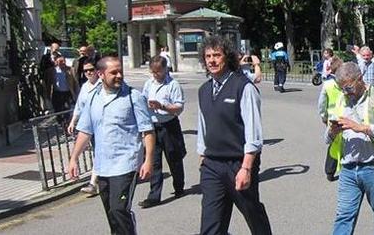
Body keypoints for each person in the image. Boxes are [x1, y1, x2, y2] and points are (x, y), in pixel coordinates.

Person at [67, 56, 155, 235]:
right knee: (111, 214)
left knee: (119, 210)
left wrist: (148, 160)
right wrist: (73, 158)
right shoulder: (92, 98)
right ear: (100, 74)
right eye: (113, 72)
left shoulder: (133, 97)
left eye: (120, 71)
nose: (119, 75)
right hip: (103, 167)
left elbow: (148, 131)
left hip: (126, 165)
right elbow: (85, 131)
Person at [197, 35, 272, 235]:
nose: (212, 60)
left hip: (239, 163)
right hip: (212, 165)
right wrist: (202, 157)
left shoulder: (244, 87)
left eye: (217, 55)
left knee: (252, 213)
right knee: (211, 226)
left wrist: (246, 167)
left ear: (227, 57)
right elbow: (203, 126)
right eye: (208, 56)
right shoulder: (203, 90)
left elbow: (254, 132)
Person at [325, 62, 374, 234]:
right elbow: (326, 139)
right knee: (343, 216)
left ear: (360, 79)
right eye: (342, 88)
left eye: (349, 87)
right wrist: (332, 131)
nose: (345, 92)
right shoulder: (340, 100)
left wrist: (363, 128)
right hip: (348, 170)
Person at [138, 56, 187, 208]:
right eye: (153, 72)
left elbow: (179, 108)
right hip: (153, 127)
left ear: (165, 69)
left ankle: (179, 187)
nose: (155, 75)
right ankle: (154, 196)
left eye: (158, 72)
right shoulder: (149, 83)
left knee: (174, 158)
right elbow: (143, 100)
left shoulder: (173, 85)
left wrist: (163, 106)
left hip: (169, 125)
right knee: (154, 161)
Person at [66, 61, 101, 196]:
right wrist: (73, 122)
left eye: (91, 70)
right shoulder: (85, 87)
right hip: (88, 125)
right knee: (96, 153)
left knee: (98, 152)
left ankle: (93, 183)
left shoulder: (102, 85)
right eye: (85, 71)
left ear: (97, 71)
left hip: (101, 124)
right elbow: (79, 106)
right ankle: (97, 181)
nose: (88, 73)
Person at [317, 56, 344, 181]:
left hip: (332, 118)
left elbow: (322, 104)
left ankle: (330, 171)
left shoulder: (327, 85)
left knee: (333, 144)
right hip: (345, 116)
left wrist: (323, 116)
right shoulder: (345, 82)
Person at [44, 55, 79, 120]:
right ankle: (60, 123)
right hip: (57, 94)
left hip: (67, 93)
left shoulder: (71, 70)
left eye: (64, 61)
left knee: (67, 111)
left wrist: (76, 94)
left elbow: (76, 83)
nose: (63, 63)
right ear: (56, 62)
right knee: (58, 111)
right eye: (60, 61)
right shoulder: (51, 71)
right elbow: (48, 84)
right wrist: (47, 96)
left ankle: (66, 125)